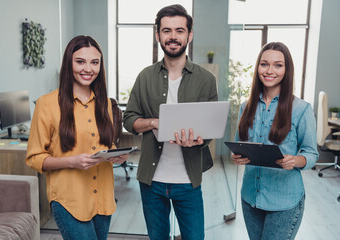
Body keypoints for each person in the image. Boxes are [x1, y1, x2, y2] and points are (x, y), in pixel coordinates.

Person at [123, 4, 218, 240]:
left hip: (189, 181)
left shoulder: (206, 80)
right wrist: (154, 123)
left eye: (179, 30)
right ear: (158, 35)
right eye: (166, 31)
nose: (173, 37)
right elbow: (129, 119)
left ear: (189, 35)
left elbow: (211, 127)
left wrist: (198, 140)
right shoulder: (145, 76)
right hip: (151, 181)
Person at [25, 35, 128, 240]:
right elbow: (33, 158)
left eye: (94, 62)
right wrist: (71, 161)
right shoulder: (46, 104)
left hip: (103, 199)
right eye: (80, 61)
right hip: (69, 200)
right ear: (68, 63)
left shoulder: (105, 103)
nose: (88, 69)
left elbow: (106, 143)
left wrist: (117, 155)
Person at [232, 42, 319, 240]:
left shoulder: (301, 109)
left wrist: (296, 161)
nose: (270, 70)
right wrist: (236, 157)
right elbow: (239, 144)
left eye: (278, 65)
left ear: (287, 70)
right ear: (257, 68)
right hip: (250, 198)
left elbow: (311, 153)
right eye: (264, 64)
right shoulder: (246, 106)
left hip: (284, 203)